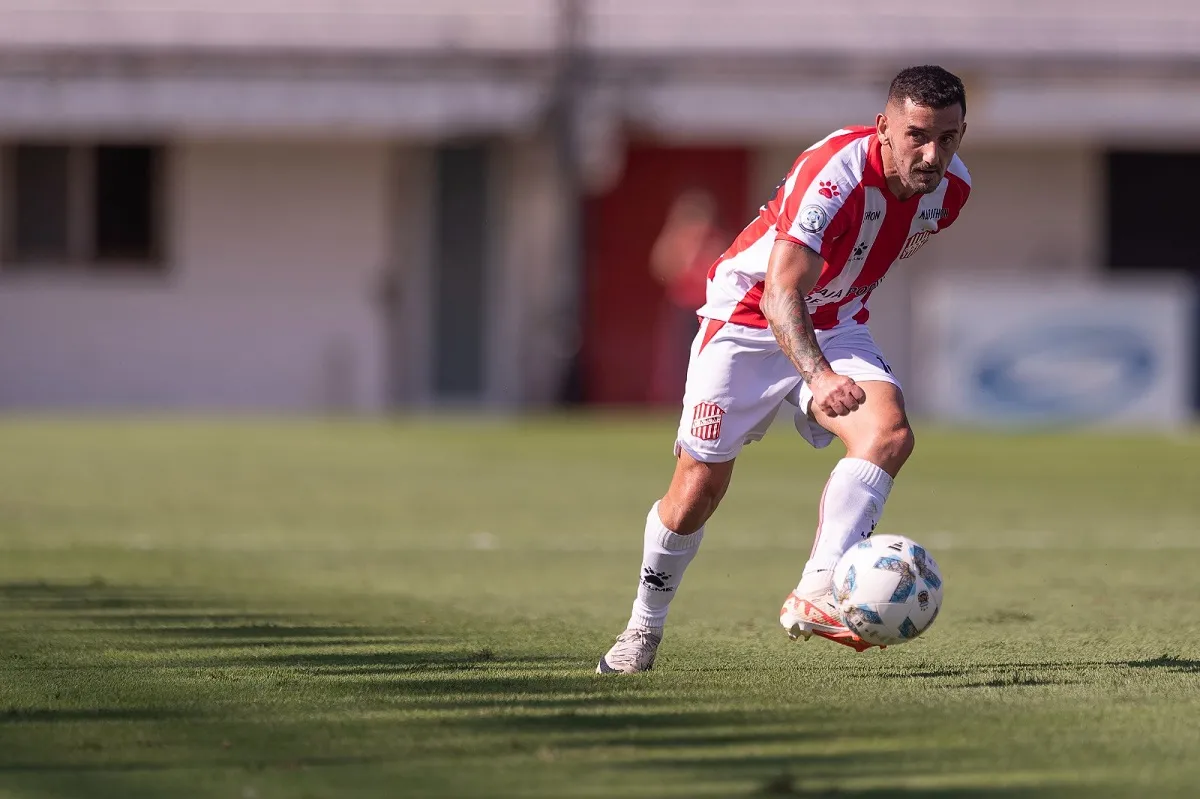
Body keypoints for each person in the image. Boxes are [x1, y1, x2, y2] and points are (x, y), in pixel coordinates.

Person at [598, 65, 972, 674]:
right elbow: (778, 293)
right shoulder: (833, 172)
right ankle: (643, 626)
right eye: (917, 136)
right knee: (697, 489)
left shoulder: (951, 191)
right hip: (748, 320)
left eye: (949, 138)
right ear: (884, 126)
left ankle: (818, 589)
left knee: (890, 434)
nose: (933, 155)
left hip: (835, 319)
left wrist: (830, 347)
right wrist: (819, 378)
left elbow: (868, 259)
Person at [647, 189, 730, 405]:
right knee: (678, 359)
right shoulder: (677, 239)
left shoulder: (716, 239)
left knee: (710, 357)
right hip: (682, 306)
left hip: (708, 307)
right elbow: (661, 267)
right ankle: (675, 401)